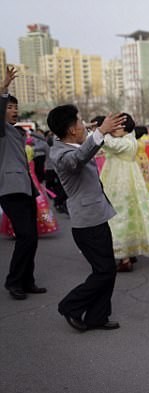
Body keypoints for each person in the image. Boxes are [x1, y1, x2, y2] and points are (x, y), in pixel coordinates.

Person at [47, 107, 126, 331]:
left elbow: (80, 147)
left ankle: (97, 317)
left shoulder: (67, 143)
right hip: (87, 222)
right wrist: (100, 131)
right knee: (104, 271)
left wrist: (91, 129)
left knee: (106, 269)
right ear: (72, 130)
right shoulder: (62, 155)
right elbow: (79, 157)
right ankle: (70, 305)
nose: (84, 125)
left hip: (96, 217)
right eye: (80, 122)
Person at [98, 113, 149, 272]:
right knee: (125, 217)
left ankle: (125, 257)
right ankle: (128, 252)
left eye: (117, 125)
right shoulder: (126, 140)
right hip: (118, 181)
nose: (113, 128)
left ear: (124, 127)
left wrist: (99, 132)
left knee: (120, 217)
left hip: (123, 184)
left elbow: (108, 144)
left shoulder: (128, 142)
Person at [0, 66, 47, 300]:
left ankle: (27, 280)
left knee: (31, 237)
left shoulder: (16, 132)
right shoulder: (1, 130)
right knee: (26, 236)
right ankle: (13, 281)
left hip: (25, 187)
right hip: (10, 189)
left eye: (16, 107)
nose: (15, 110)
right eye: (10, 107)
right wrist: (4, 87)